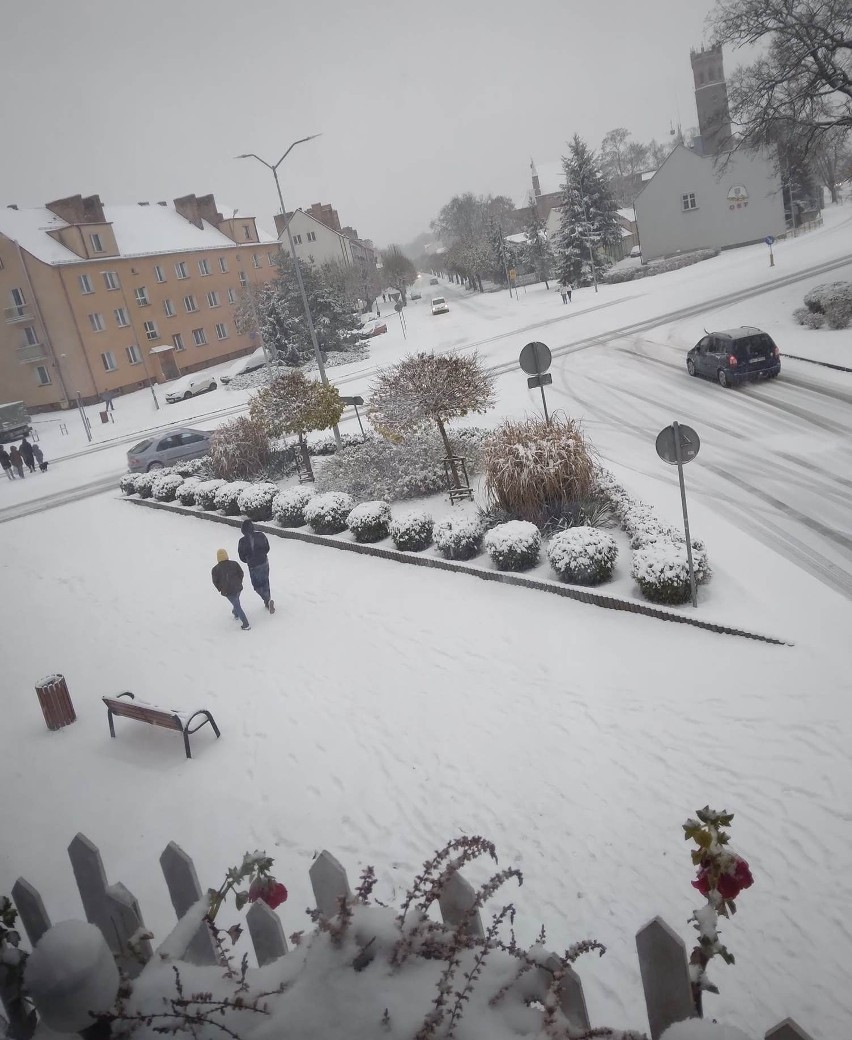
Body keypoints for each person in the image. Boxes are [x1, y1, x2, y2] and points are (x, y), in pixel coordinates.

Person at [238, 519, 275, 613]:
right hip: (264, 562)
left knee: (257, 585)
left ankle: (266, 599)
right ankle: (268, 600)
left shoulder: (242, 541)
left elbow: (241, 556)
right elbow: (267, 548)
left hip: (253, 565)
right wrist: (262, 555)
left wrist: (249, 559)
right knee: (265, 581)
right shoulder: (261, 535)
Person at [211, 549, 250, 630]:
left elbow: (215, 582)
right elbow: (241, 573)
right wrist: (239, 582)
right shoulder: (234, 564)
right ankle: (235, 613)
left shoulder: (215, 569)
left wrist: (221, 588)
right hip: (238, 588)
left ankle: (246, 624)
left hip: (227, 591)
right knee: (236, 601)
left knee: (237, 605)